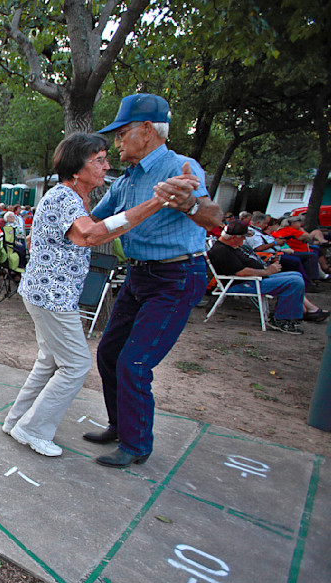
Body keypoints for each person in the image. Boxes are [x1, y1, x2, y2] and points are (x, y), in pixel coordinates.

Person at [3, 133, 180, 457]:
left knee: (50, 361)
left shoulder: (73, 199)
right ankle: (32, 428)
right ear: (76, 169)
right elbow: (90, 235)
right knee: (76, 365)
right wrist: (157, 202)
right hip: (52, 297)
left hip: (47, 293)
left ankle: (16, 420)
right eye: (98, 160)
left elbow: (96, 227)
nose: (106, 166)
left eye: (105, 159)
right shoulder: (65, 197)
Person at [87, 93, 223, 469]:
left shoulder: (181, 166)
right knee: (109, 353)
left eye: (122, 133)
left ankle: (136, 445)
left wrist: (191, 205)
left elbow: (213, 217)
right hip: (139, 273)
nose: (116, 143)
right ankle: (119, 425)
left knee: (135, 362)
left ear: (147, 131)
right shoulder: (127, 178)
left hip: (176, 276)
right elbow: (93, 221)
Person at [207, 222, 328, 333]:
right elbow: (240, 272)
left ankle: (294, 314)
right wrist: (267, 271)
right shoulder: (222, 251)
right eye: (243, 237)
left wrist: (268, 268)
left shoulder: (230, 247)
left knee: (296, 275)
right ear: (234, 237)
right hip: (243, 284)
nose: (244, 239)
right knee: (293, 281)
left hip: (253, 279)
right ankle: (282, 319)